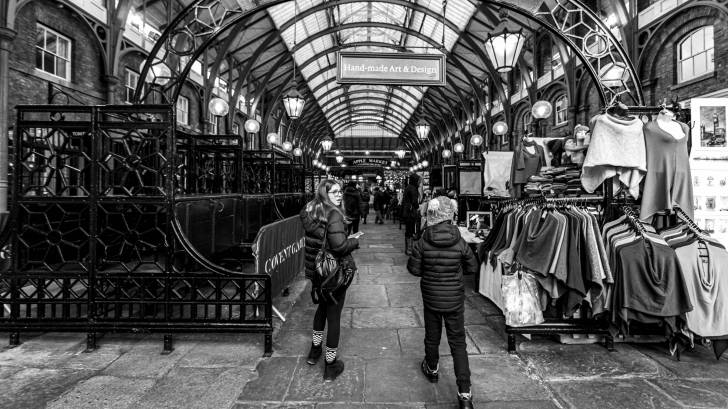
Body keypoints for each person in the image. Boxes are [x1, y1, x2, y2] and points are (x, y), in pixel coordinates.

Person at [407, 196, 479, 409]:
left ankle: (432, 368)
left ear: (431, 214)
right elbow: (472, 267)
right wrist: (456, 272)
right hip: (454, 298)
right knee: (458, 343)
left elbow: (414, 269)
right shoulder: (460, 241)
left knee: (432, 335)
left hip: (431, 296)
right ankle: (465, 393)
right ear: (451, 215)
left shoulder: (422, 241)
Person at [300, 179, 361, 381]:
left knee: (322, 309)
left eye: (340, 191)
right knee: (333, 316)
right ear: (325, 194)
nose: (339, 194)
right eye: (334, 192)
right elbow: (339, 247)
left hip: (317, 272)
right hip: (333, 273)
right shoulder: (334, 213)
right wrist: (354, 240)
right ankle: (330, 363)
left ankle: (314, 352)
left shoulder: (311, 210)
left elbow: (321, 238)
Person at [401, 174, 420, 254]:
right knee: (410, 230)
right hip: (410, 213)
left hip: (406, 212)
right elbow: (415, 202)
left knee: (409, 230)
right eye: (418, 181)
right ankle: (409, 249)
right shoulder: (413, 188)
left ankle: (408, 248)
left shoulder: (408, 187)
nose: (419, 182)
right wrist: (418, 206)